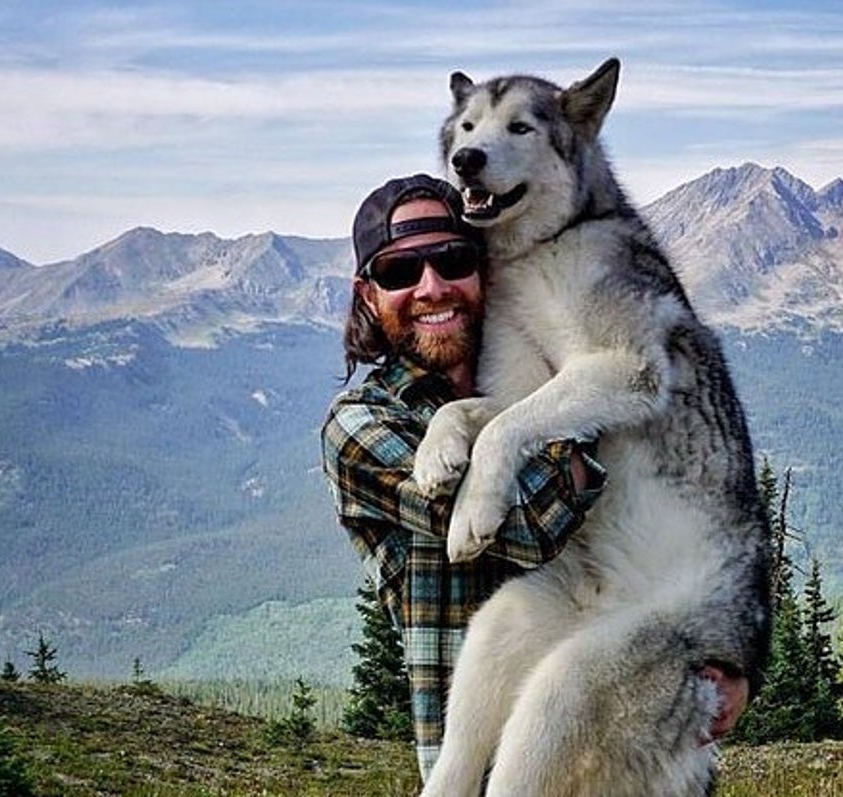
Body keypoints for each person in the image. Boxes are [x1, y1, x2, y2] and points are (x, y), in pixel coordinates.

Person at [320, 174, 748, 783]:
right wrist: (575, 405)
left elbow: (709, 501)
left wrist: (733, 661)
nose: (431, 287)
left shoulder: (540, 369)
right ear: (368, 296)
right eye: (399, 273)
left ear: (487, 267)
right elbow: (525, 524)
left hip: (636, 753)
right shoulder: (364, 425)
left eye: (452, 259)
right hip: (496, 769)